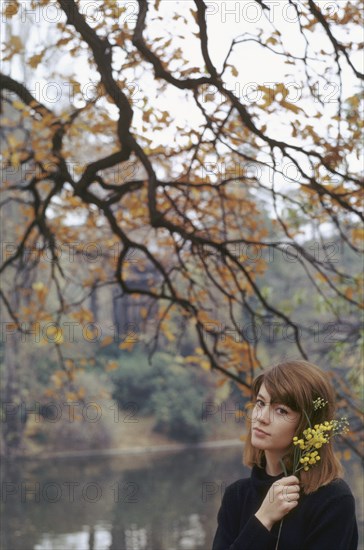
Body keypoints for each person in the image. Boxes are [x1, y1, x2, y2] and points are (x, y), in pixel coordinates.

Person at [212, 360, 358, 550]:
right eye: (260, 403)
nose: (261, 417)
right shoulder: (237, 496)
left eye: (281, 410)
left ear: (309, 425)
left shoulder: (332, 500)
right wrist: (263, 519)